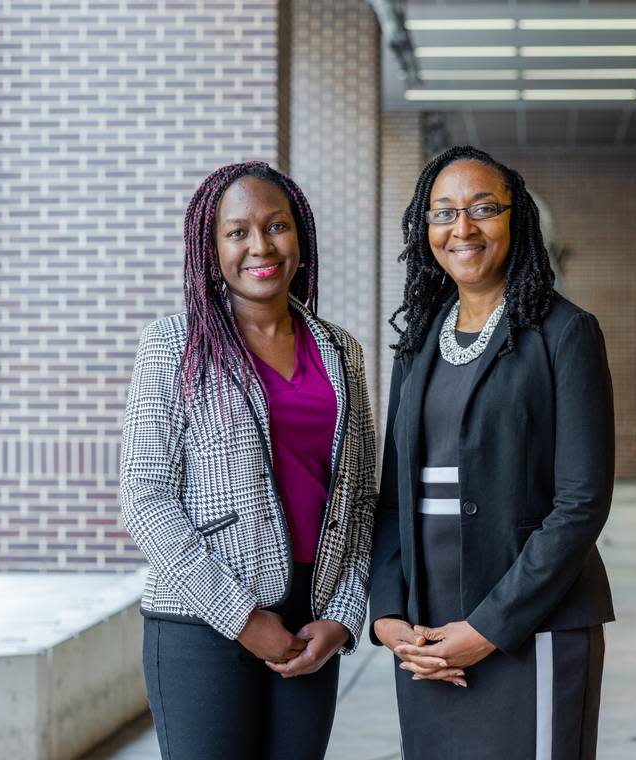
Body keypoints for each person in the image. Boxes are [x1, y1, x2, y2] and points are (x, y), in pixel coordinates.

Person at [119, 161, 376, 760]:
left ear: (300, 239)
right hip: (202, 623)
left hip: (312, 623)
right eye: (237, 232)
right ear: (211, 252)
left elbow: (361, 497)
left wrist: (343, 613)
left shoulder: (341, 351)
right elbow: (146, 498)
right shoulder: (172, 346)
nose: (260, 245)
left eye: (276, 226)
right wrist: (240, 618)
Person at [370, 146, 616, 760]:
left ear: (518, 219)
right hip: (428, 635)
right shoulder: (417, 344)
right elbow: (395, 494)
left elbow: (581, 503)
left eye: (484, 209)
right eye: (444, 212)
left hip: (533, 623)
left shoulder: (564, 333)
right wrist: (388, 616)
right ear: (423, 228)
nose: (463, 228)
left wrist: (488, 629)